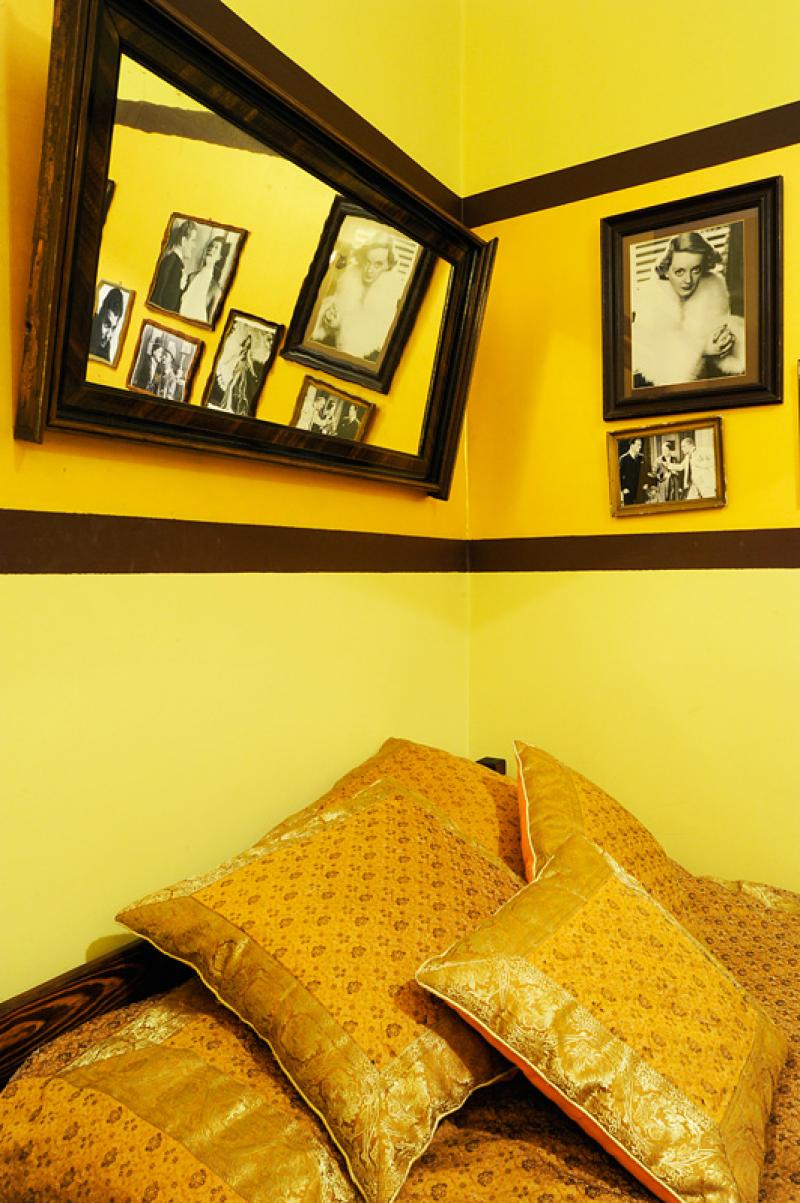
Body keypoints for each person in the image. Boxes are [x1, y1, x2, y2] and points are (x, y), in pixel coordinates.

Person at [632, 230, 745, 387]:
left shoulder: (712, 292)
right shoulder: (651, 301)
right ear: (666, 271)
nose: (688, 280)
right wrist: (702, 349)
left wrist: (727, 341)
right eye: (679, 271)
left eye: (695, 270)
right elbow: (658, 370)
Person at [311, 233, 404, 360]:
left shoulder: (390, 295)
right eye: (368, 262)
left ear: (388, 265)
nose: (370, 270)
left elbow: (376, 338)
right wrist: (328, 319)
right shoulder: (348, 277)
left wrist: (341, 326)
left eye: (378, 264)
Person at [150, 219, 199, 312]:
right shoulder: (171, 261)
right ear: (183, 240)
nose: (194, 246)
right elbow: (159, 298)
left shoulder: (175, 262)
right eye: (193, 240)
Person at [179, 235, 227, 323]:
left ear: (219, 257)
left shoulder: (216, 290)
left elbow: (210, 323)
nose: (211, 249)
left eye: (216, 248)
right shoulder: (191, 277)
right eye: (211, 246)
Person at [211, 331, 259, 415]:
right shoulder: (241, 350)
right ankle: (228, 405)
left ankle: (236, 408)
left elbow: (250, 363)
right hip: (236, 369)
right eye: (247, 342)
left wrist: (253, 373)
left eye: (249, 343)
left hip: (242, 371)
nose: (247, 344)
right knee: (231, 387)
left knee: (238, 389)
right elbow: (235, 358)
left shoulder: (248, 353)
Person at [664, 435, 716, 500]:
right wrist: (669, 465)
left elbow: (714, 460)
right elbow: (681, 467)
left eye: (683, 446)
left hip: (705, 484)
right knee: (690, 501)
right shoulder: (687, 457)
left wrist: (700, 464)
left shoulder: (700, 451)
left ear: (690, 445)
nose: (682, 449)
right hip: (694, 484)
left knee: (710, 500)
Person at [89, 286, 124, 362]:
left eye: (113, 328)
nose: (109, 335)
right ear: (99, 316)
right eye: (107, 325)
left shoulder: (106, 345)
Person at [619, 436, 643, 506]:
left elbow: (644, 472)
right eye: (638, 445)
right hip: (628, 492)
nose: (640, 447)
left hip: (640, 492)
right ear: (632, 445)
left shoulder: (641, 457)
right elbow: (618, 476)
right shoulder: (623, 459)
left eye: (641, 445)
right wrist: (623, 488)